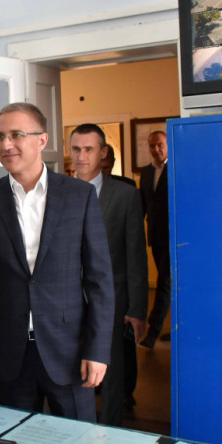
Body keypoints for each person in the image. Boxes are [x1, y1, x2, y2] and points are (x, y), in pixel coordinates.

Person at [0, 102, 115, 422]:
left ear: (42, 140)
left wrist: (98, 350)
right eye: (0, 137)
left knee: (80, 442)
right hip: (9, 351)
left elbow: (99, 279)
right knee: (15, 440)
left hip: (68, 350)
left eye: (16, 135)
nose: (6, 144)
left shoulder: (79, 195)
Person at [70, 124, 148, 426]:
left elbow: (135, 255)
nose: (81, 156)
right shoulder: (58, 192)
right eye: (76, 149)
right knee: (72, 370)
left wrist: (137, 309)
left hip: (113, 300)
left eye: (89, 149)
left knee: (111, 373)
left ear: (103, 153)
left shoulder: (126, 195)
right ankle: (78, 429)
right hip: (68, 301)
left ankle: (111, 433)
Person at [139, 130, 171, 349]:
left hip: (174, 238)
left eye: (160, 144)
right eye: (152, 146)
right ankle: (177, 330)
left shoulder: (177, 168)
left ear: (167, 145)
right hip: (155, 238)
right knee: (168, 283)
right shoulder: (146, 172)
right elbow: (143, 206)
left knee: (164, 283)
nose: (156, 149)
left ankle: (153, 331)